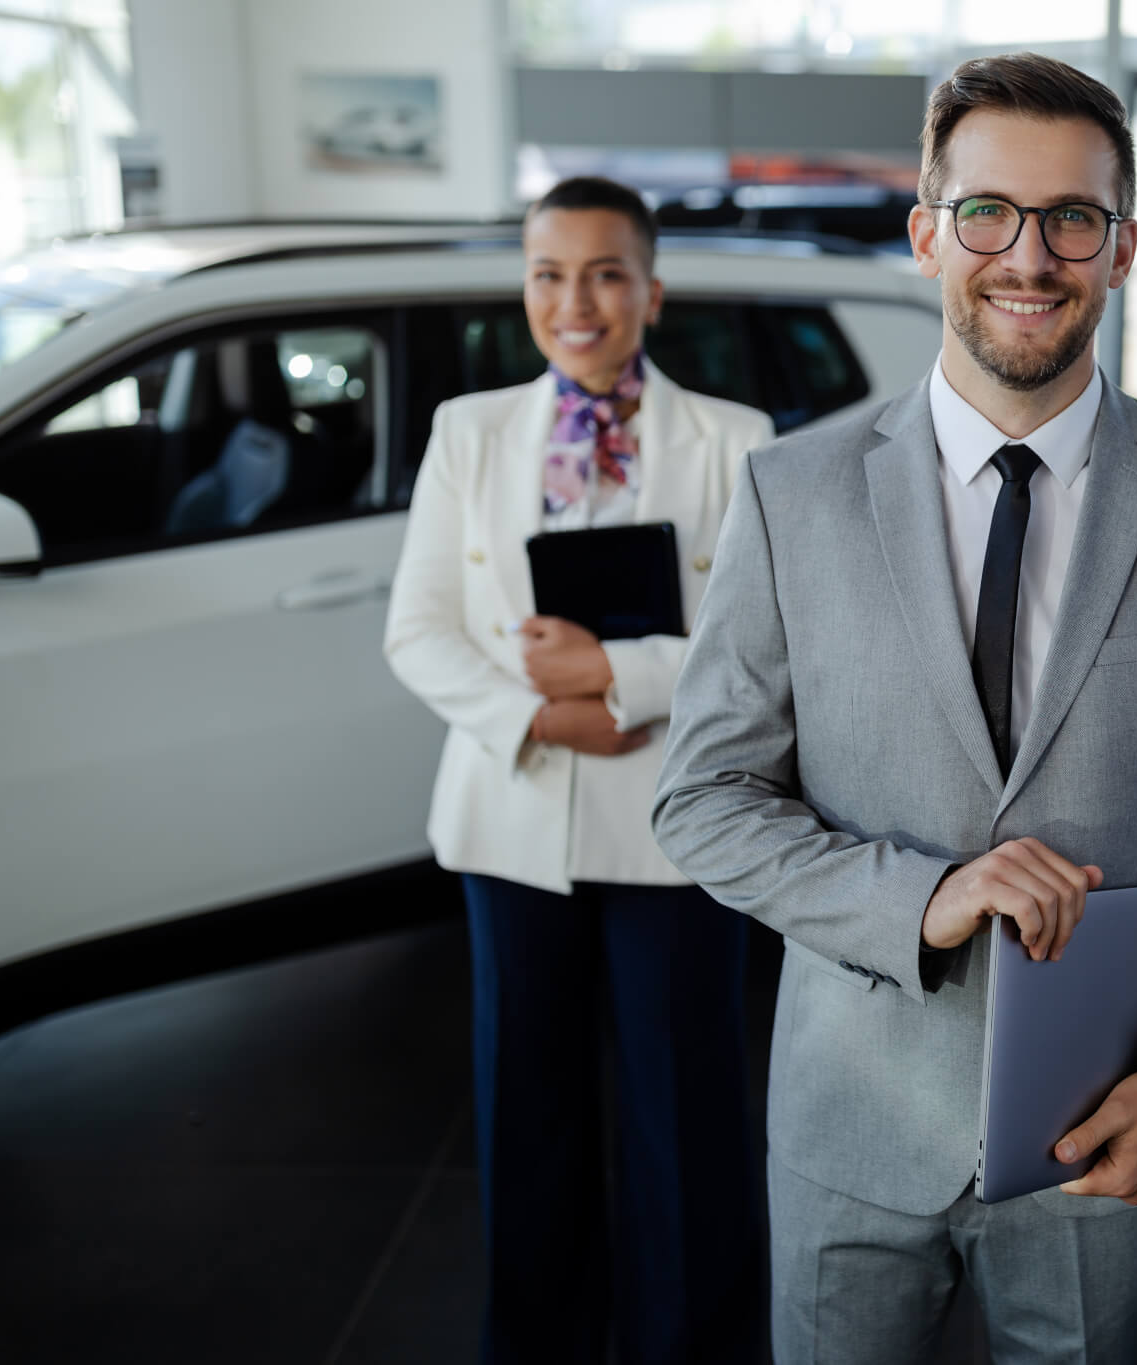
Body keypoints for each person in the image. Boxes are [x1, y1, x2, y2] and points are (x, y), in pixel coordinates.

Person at [652, 52, 1137, 1365]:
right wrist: (919, 898)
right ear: (928, 232)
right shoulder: (789, 497)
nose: (1028, 256)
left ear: (1123, 247)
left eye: (1072, 218)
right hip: (850, 1124)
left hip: (1109, 1126)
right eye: (988, 212)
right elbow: (699, 798)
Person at [383, 176, 774, 1364]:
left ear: (651, 291)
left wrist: (617, 677)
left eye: (606, 273)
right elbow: (417, 631)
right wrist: (543, 720)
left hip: (675, 827)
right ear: (525, 290)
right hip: (511, 825)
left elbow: (754, 644)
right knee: (526, 1122)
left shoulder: (734, 442)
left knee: (685, 1126)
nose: (577, 302)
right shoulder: (470, 431)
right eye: (550, 274)